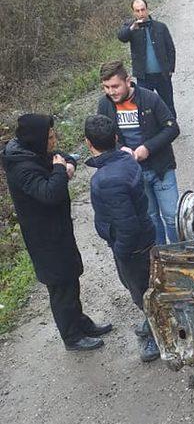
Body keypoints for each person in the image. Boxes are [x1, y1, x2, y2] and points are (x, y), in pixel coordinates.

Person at [1, 114, 112, 351]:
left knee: (70, 278)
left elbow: (61, 157)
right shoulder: (21, 167)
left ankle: (80, 323)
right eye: (50, 137)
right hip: (44, 238)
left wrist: (66, 164)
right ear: (38, 139)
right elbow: (50, 194)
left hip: (57, 230)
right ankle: (71, 337)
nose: (54, 140)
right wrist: (61, 171)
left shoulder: (32, 151)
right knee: (60, 286)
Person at [85, 115, 160, 362]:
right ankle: (152, 326)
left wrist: (120, 249)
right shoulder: (125, 161)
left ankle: (156, 337)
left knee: (143, 293)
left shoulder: (106, 180)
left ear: (88, 142)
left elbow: (126, 224)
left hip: (132, 247)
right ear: (116, 138)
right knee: (145, 287)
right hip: (143, 238)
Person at [97, 60, 180, 245]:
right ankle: (161, 257)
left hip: (161, 170)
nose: (111, 92)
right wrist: (120, 149)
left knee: (172, 218)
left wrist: (148, 148)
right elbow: (102, 138)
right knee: (150, 219)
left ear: (128, 81)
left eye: (115, 86)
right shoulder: (104, 106)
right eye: (106, 87)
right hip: (133, 175)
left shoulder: (150, 98)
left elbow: (172, 128)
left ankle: (180, 254)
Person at [117, 0, 177, 118]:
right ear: (133, 12)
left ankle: (172, 126)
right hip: (144, 77)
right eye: (137, 11)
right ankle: (154, 129)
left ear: (147, 10)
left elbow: (170, 48)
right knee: (146, 106)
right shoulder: (131, 28)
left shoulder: (160, 27)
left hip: (162, 74)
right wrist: (132, 28)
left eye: (143, 10)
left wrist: (170, 68)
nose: (141, 13)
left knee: (167, 103)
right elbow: (121, 37)